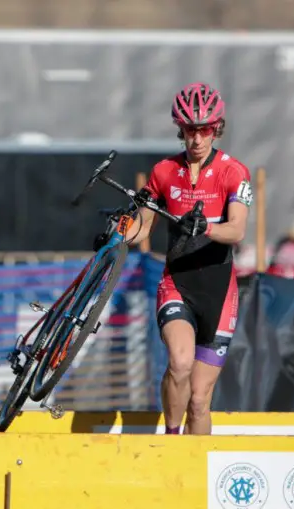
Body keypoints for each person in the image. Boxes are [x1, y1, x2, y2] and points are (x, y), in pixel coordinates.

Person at [124, 82, 253, 435]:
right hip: (177, 283)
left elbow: (237, 230)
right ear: (180, 129)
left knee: (199, 401)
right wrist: (121, 229)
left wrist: (206, 228)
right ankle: (170, 440)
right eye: (190, 131)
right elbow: (140, 232)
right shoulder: (164, 172)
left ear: (217, 129)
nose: (197, 140)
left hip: (218, 293)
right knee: (179, 363)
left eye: (205, 130)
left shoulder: (233, 171)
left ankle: (196, 476)